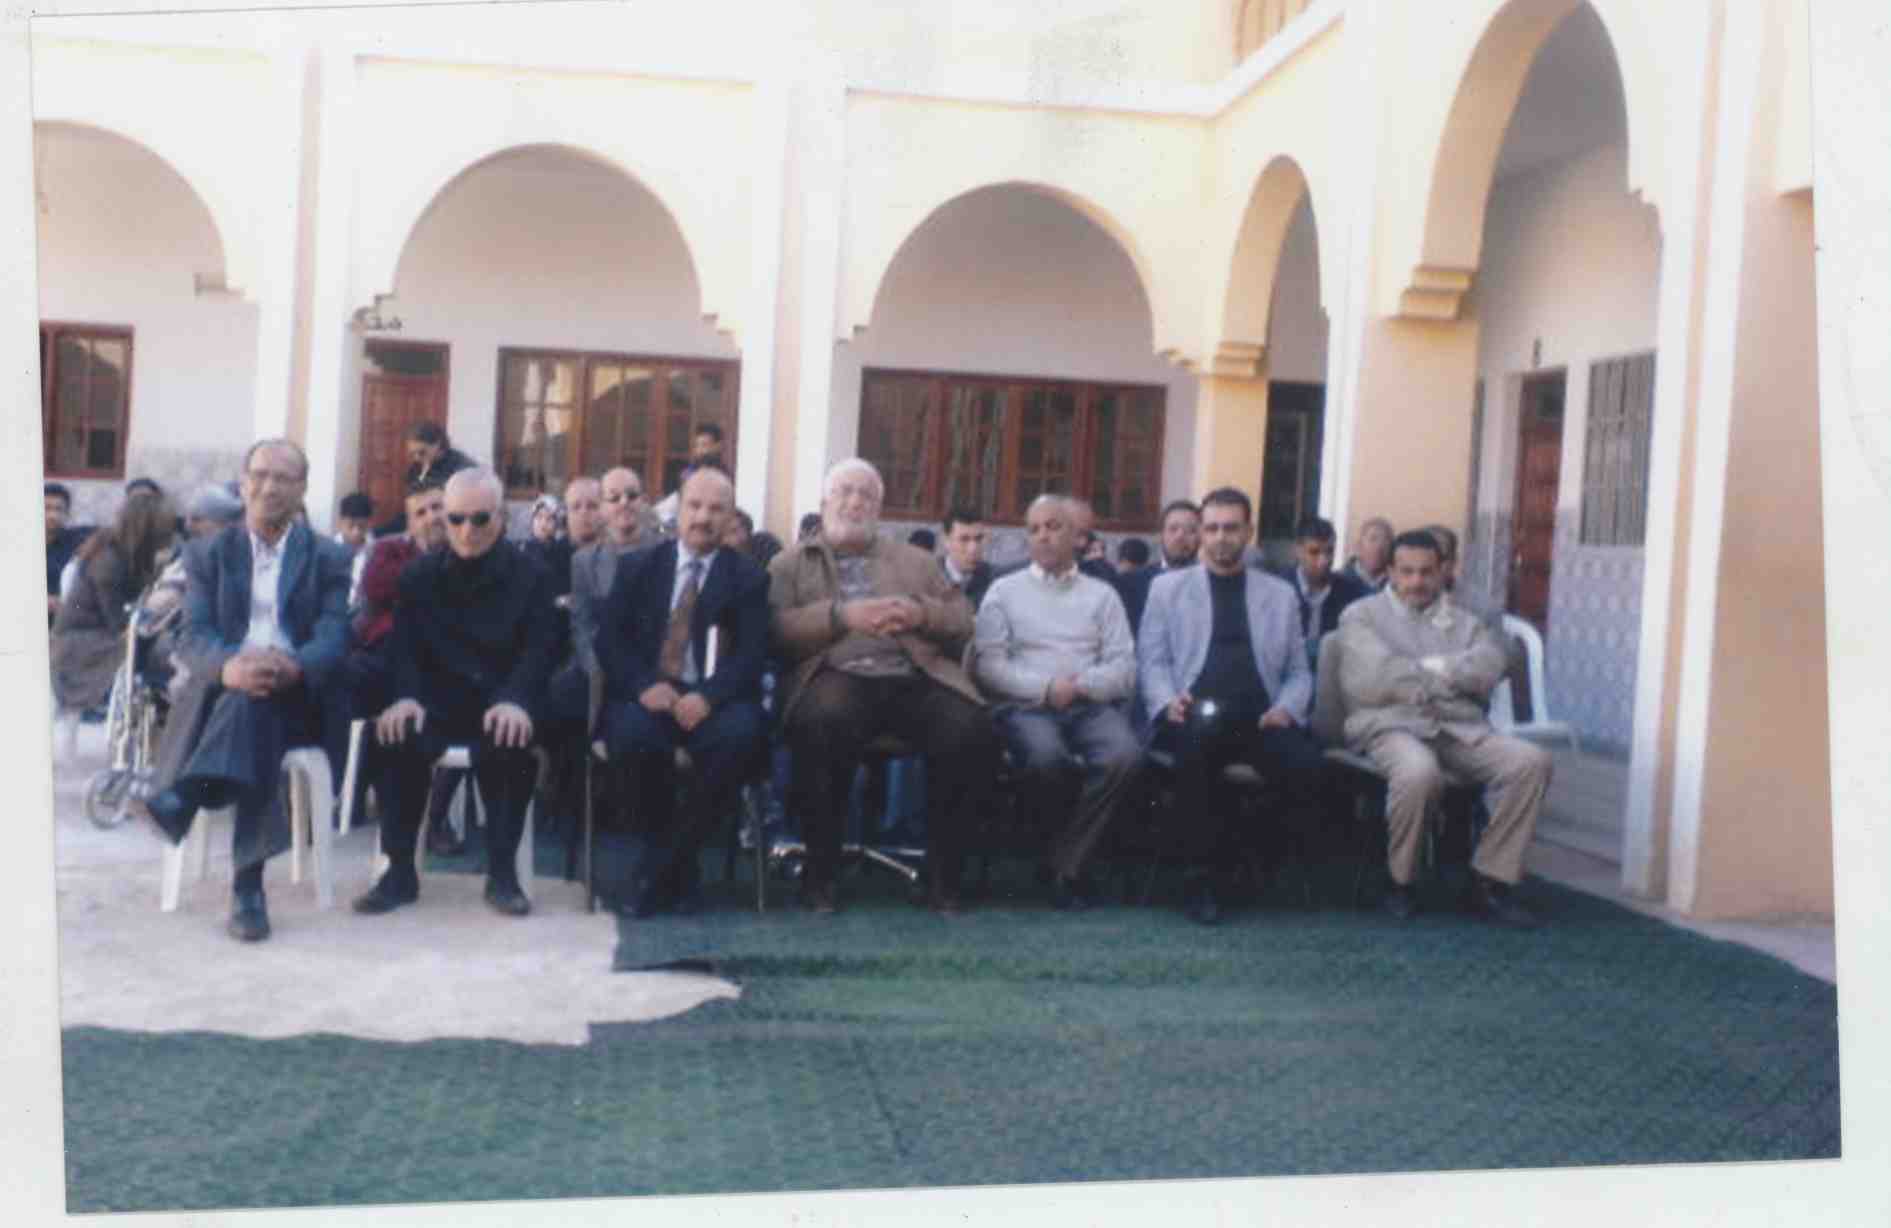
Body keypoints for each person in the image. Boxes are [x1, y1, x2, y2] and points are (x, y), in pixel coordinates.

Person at [138, 439, 352, 943]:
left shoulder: (328, 557)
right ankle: (247, 887)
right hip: (222, 695)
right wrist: (230, 667)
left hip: (300, 697)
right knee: (249, 703)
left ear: (302, 489)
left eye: (283, 478)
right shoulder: (207, 554)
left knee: (259, 702)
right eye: (259, 475)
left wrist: (293, 666)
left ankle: (185, 796)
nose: (269, 487)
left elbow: (334, 635)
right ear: (242, 481)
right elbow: (193, 636)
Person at [768, 458, 997, 914]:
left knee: (969, 726)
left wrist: (920, 613)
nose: (855, 502)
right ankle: (821, 875)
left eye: (866, 495)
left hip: (910, 675)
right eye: (845, 492)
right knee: (823, 719)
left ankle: (945, 880)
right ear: (824, 503)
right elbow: (775, 629)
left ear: (879, 508)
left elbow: (961, 619)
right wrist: (839, 617)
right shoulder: (789, 563)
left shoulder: (915, 561)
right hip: (833, 672)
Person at [356, 468, 559, 919]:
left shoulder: (533, 575)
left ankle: (502, 873)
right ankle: (399, 870)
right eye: (457, 519)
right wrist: (405, 697)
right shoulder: (418, 575)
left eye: (480, 518)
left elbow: (542, 650)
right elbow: (403, 649)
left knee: (510, 740)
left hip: (501, 699)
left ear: (501, 518)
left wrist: (516, 699)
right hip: (438, 702)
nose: (468, 530)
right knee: (392, 734)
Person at [1335, 530, 1550, 928]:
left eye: (1426, 572)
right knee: (1419, 772)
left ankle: (1489, 879)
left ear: (1442, 572)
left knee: (1530, 762)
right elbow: (1375, 679)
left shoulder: (1465, 623)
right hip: (1390, 725)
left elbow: (1490, 666)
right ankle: (1401, 881)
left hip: (1457, 728)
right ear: (1390, 572)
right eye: (1407, 572)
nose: (1417, 582)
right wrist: (1449, 673)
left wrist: (1424, 671)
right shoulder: (1361, 615)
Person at [1137, 487, 1321, 925]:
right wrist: (1166, 701)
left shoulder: (1279, 595)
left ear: (1249, 532)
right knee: (1197, 752)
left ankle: (1255, 866)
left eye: (1231, 528)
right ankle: (1199, 879)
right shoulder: (1167, 589)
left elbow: (1299, 671)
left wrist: (1287, 709)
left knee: (1308, 766)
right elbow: (1151, 661)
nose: (1221, 538)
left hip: (1262, 718)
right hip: (1193, 713)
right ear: (1202, 532)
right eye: (1213, 528)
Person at [594, 468, 770, 917]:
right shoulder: (639, 567)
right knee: (632, 736)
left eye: (716, 509)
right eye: (695, 505)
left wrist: (708, 696)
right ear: (678, 510)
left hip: (714, 698)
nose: (703, 517)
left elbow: (752, 654)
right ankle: (674, 868)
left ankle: (661, 871)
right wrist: (643, 686)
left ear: (730, 517)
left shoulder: (748, 578)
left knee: (741, 736)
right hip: (650, 693)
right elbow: (609, 641)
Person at [973, 495, 1142, 909]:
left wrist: (1081, 686)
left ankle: (1064, 864)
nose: (1043, 536)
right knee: (1046, 758)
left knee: (1125, 756)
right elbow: (989, 666)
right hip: (1026, 706)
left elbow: (1124, 667)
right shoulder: (1003, 591)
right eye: (1034, 529)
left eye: (1053, 527)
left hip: (1088, 704)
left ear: (1077, 537)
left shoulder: (1102, 595)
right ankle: (1063, 864)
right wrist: (1046, 687)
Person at [333, 477, 448, 833]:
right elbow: (376, 585)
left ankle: (432, 815)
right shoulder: (389, 549)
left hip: (436, 661)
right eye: (421, 513)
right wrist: (429, 568)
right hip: (384, 652)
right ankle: (348, 793)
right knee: (346, 679)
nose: (431, 517)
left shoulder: (465, 552)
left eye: (437, 508)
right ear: (410, 523)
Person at [51, 492, 178, 713]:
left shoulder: (122, 552)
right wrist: (153, 609)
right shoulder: (109, 562)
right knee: (162, 650)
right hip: (82, 645)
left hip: (94, 638)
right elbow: (119, 623)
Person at [1268, 515, 1371, 673]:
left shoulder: (1351, 591)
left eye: (1329, 552)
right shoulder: (1277, 590)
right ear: (1297, 551)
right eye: (1314, 552)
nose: (1324, 560)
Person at [375, 422, 477, 536]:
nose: (417, 458)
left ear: (438, 444)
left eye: (422, 452)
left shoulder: (463, 470)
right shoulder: (416, 469)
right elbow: (412, 510)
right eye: (412, 454)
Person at [1117, 499, 1200, 636]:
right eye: (1173, 529)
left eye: (1190, 530)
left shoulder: (1211, 583)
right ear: (1161, 534)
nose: (1180, 536)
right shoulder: (1130, 584)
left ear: (1201, 536)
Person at [653, 423, 726, 530]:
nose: (699, 451)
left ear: (718, 446)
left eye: (704, 445)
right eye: (697, 446)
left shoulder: (724, 478)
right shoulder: (688, 473)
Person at [44, 482, 91, 626]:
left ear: (67, 513)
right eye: (47, 508)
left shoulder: (77, 543)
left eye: (59, 509)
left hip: (65, 622)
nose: (53, 515)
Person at [939, 507, 994, 609]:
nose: (973, 549)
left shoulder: (994, 580)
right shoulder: (927, 577)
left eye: (978, 539)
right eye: (964, 539)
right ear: (946, 540)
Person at [1344, 517, 1394, 590]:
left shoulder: (1396, 584)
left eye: (1385, 541)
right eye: (1373, 539)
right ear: (1358, 545)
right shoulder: (1339, 582)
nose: (1379, 546)